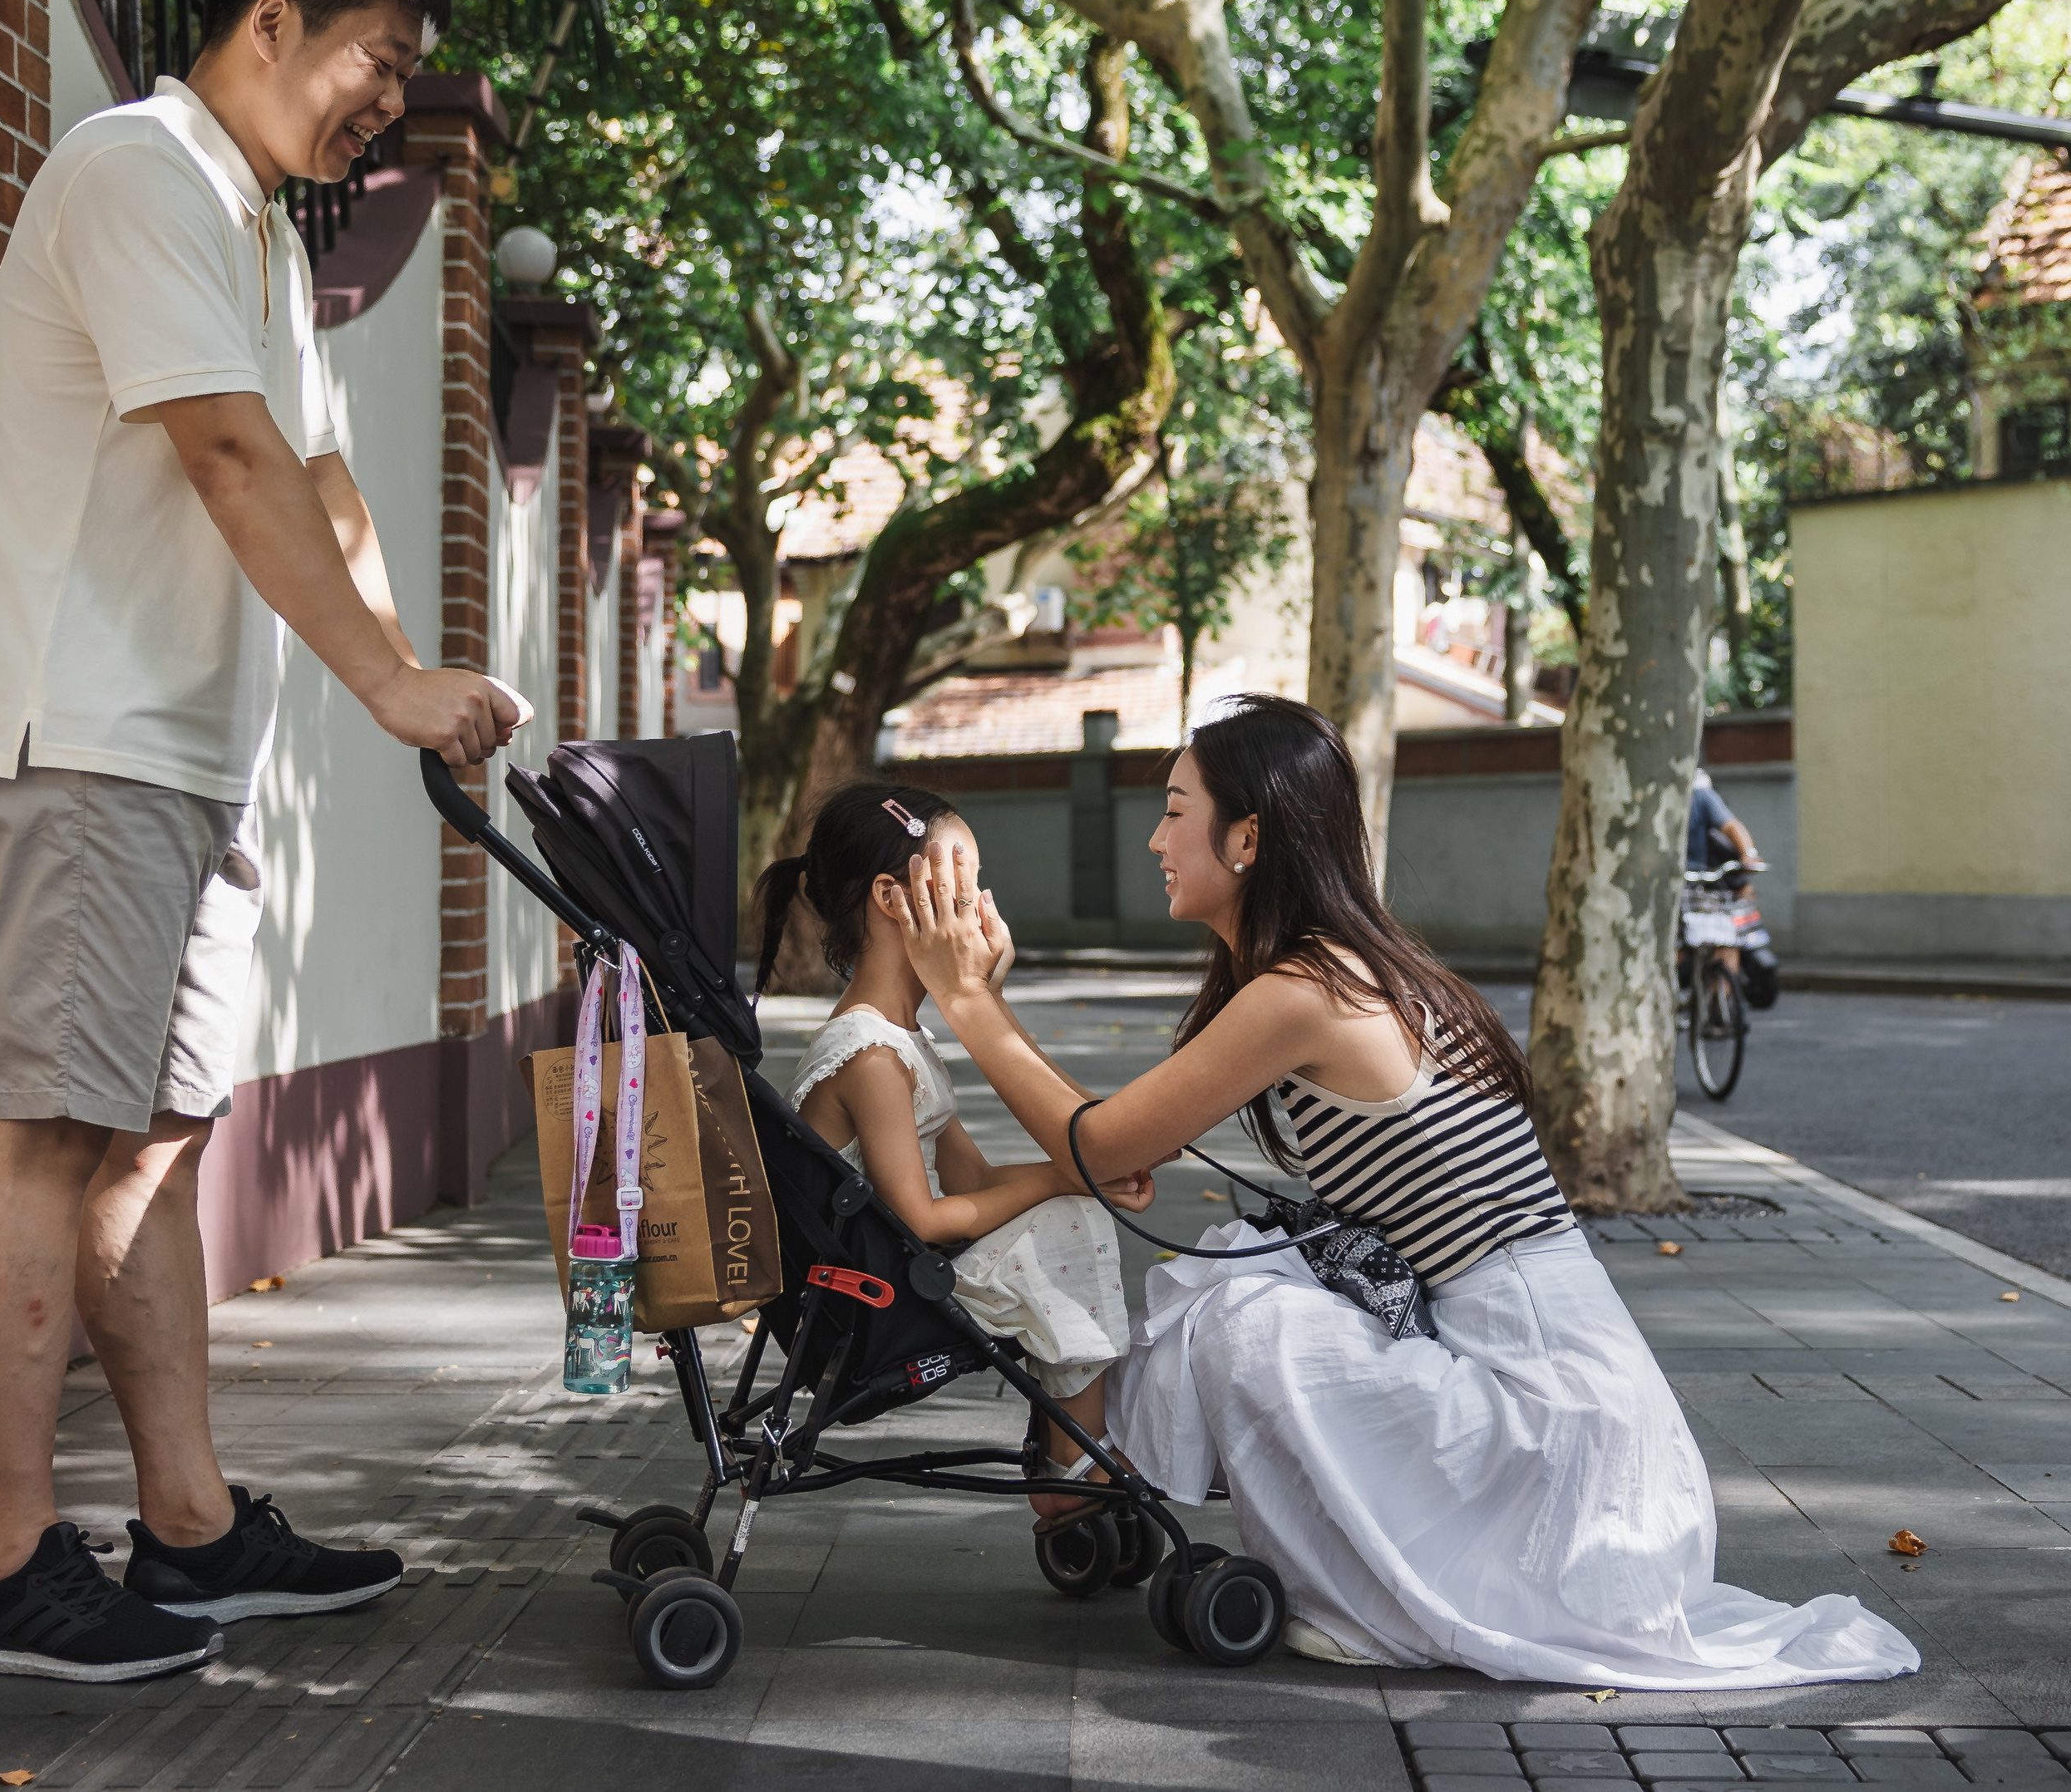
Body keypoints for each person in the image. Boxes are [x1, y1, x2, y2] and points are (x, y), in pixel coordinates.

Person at [0, 0, 528, 1685]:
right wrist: (385, 678)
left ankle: (186, 1531)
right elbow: (219, 446)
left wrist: (404, 685)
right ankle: (3, 1559)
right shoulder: (139, 169)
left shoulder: (262, 230)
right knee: (42, 1130)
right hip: (83, 739)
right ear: (268, 16)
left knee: (156, 1140)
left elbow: (326, 486)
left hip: (189, 759)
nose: (386, 98)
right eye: (377, 56)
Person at [885, 694, 1919, 1689]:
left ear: (1247, 838)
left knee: (1245, 1308)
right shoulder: (1337, 968)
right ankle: (1091, 1470)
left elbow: (1099, 1142)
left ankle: (1121, 1486)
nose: (1156, 839)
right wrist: (1002, 1028)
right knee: (1241, 1271)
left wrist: (967, 998)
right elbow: (1104, 1146)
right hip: (1568, 1409)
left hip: (1553, 1437)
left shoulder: (1307, 990)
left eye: (1173, 810)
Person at [762, 781, 1151, 1524]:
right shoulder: (871, 1054)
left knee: (1068, 1207)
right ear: (892, 895)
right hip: (879, 1295)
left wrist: (1077, 1173)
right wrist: (1065, 1178)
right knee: (1070, 1221)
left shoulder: (903, 1036)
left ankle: (1072, 1447)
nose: (979, 901)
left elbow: (969, 1177)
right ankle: (1073, 1459)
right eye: (964, 878)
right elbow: (928, 1216)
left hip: (903, 1267)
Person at [1688, 766, 1780, 1007]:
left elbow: (1732, 826)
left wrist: (1748, 855)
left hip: (1699, 884)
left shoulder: (1700, 794)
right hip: (1670, 886)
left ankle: (1719, 1004)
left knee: (1727, 939)